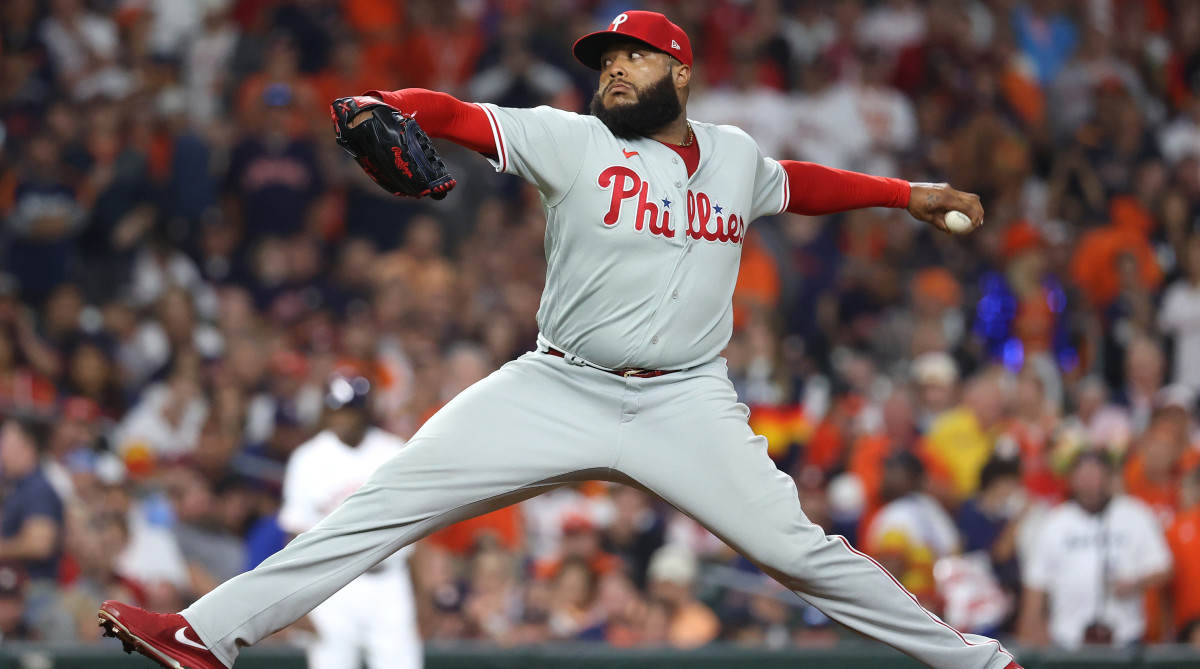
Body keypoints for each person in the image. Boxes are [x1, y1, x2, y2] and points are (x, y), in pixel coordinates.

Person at [98, 11, 1018, 669]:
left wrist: (908, 196)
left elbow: (797, 182)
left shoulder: (734, 156)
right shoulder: (572, 140)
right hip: (557, 385)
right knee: (381, 503)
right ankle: (201, 634)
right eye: (605, 59)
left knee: (802, 552)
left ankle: (980, 664)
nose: (613, 71)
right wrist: (389, 99)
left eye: (634, 57)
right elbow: (454, 115)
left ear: (681, 73)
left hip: (685, 399)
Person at [274, 373, 422, 669]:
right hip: (332, 585)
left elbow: (417, 527)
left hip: (388, 581)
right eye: (335, 410)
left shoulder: (393, 451)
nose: (341, 418)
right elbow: (294, 537)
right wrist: (296, 604)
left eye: (349, 411)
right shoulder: (308, 459)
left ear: (366, 411)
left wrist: (421, 592)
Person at [1017, 451, 1172, 649]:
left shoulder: (1135, 515)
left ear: (1109, 477)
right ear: (1072, 480)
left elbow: (1164, 566)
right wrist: (1031, 630)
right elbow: (1036, 583)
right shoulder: (1054, 523)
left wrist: (1135, 583)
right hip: (1067, 637)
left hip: (1125, 636)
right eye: (1083, 476)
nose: (1090, 483)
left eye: (1096, 475)